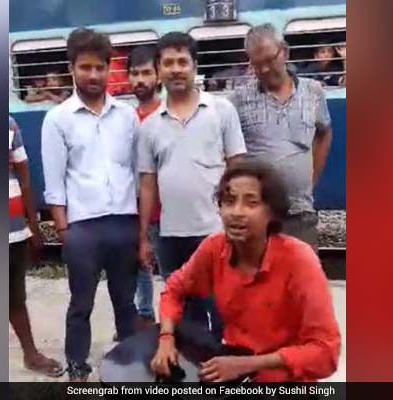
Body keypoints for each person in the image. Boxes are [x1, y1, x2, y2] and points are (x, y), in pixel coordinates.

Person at [151, 161, 341, 382]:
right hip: (231, 374)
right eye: (229, 202)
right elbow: (174, 290)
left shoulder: (300, 261)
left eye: (251, 203)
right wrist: (166, 338)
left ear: (272, 212)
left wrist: (248, 364)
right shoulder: (214, 248)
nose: (236, 213)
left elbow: (326, 352)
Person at [41, 28, 140, 382]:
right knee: (80, 305)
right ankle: (78, 366)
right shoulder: (58, 119)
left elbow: (136, 172)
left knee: (125, 303)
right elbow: (54, 185)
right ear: (72, 68)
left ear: (108, 68)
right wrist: (66, 233)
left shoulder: (127, 116)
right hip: (83, 228)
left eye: (100, 67)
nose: (94, 75)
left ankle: (132, 365)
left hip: (124, 223)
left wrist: (140, 230)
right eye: (85, 67)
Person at [137, 32, 246, 342]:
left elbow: (238, 168)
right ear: (159, 70)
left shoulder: (221, 111)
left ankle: (231, 374)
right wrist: (144, 236)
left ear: (195, 66)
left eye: (182, 61)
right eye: (168, 63)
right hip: (172, 236)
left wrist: (237, 220)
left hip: (217, 231)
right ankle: (200, 375)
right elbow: (147, 184)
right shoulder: (150, 126)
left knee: (225, 307)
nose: (175, 69)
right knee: (188, 314)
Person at [229, 24, 333, 250]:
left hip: (301, 215)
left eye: (269, 60)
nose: (264, 69)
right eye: (256, 64)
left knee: (302, 281)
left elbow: (324, 132)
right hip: (258, 217)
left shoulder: (313, 92)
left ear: (284, 51)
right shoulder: (238, 100)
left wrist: (311, 178)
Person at [8, 116, 63, 377]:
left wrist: (33, 227)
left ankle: (31, 355)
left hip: (13, 230)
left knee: (14, 298)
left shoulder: (8, 124)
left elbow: (25, 179)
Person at [127, 45, 162, 331]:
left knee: (175, 270)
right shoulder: (126, 119)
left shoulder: (167, 114)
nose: (140, 80)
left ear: (158, 75)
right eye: (135, 73)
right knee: (141, 266)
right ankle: (145, 314)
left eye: (146, 73)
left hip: (168, 210)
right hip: (137, 207)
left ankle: (180, 322)